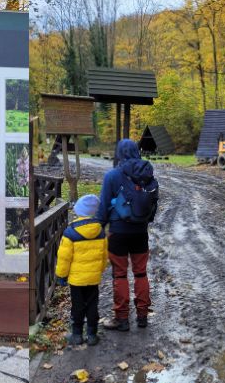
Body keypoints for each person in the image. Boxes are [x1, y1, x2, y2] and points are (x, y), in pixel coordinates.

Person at [96, 138, 159, 332]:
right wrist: (144, 221)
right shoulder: (148, 174)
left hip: (119, 232)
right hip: (140, 232)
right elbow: (153, 203)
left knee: (120, 275)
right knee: (141, 273)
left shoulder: (112, 176)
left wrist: (100, 227)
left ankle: (121, 318)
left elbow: (104, 206)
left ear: (119, 153)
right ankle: (142, 316)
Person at [54, 193, 108, 347]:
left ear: (78, 211)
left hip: (77, 280)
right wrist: (100, 270)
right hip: (93, 278)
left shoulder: (70, 233)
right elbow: (104, 255)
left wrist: (61, 275)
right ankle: (92, 335)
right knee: (92, 304)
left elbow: (64, 258)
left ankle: (77, 334)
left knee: (77, 306)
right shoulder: (100, 231)